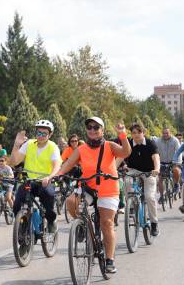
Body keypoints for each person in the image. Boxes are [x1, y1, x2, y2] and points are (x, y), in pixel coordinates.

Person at [54, 117, 131, 274]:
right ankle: (82, 226)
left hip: (108, 189)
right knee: (70, 201)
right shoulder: (81, 149)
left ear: (102, 130)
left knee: (107, 223)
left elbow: (126, 152)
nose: (92, 130)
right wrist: (58, 174)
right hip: (88, 187)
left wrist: (122, 135)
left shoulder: (110, 145)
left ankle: (109, 260)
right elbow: (68, 163)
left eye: (96, 127)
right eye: (89, 127)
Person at [9, 119, 61, 234]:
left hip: (45, 182)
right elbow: (14, 162)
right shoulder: (29, 144)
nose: (41, 136)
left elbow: (57, 165)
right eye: (38, 133)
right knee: (17, 204)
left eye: (44, 134)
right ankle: (23, 229)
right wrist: (16, 145)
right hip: (29, 181)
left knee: (48, 196)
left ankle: (51, 221)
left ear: (50, 134)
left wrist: (49, 177)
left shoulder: (53, 147)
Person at [123, 123, 161, 236]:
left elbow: (156, 157)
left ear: (143, 133)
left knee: (149, 197)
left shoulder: (150, 143)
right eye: (133, 133)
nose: (136, 135)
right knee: (126, 181)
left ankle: (154, 223)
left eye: (139, 132)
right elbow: (121, 157)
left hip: (149, 172)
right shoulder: (129, 143)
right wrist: (112, 169)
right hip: (134, 170)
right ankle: (130, 204)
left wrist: (157, 169)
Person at [154, 128, 180, 199]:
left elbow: (179, 152)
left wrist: (178, 162)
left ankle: (176, 184)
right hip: (162, 162)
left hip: (173, 161)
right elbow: (154, 151)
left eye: (167, 133)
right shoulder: (158, 141)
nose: (165, 135)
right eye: (163, 133)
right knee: (160, 179)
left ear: (170, 133)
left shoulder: (175, 140)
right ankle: (162, 196)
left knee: (176, 170)